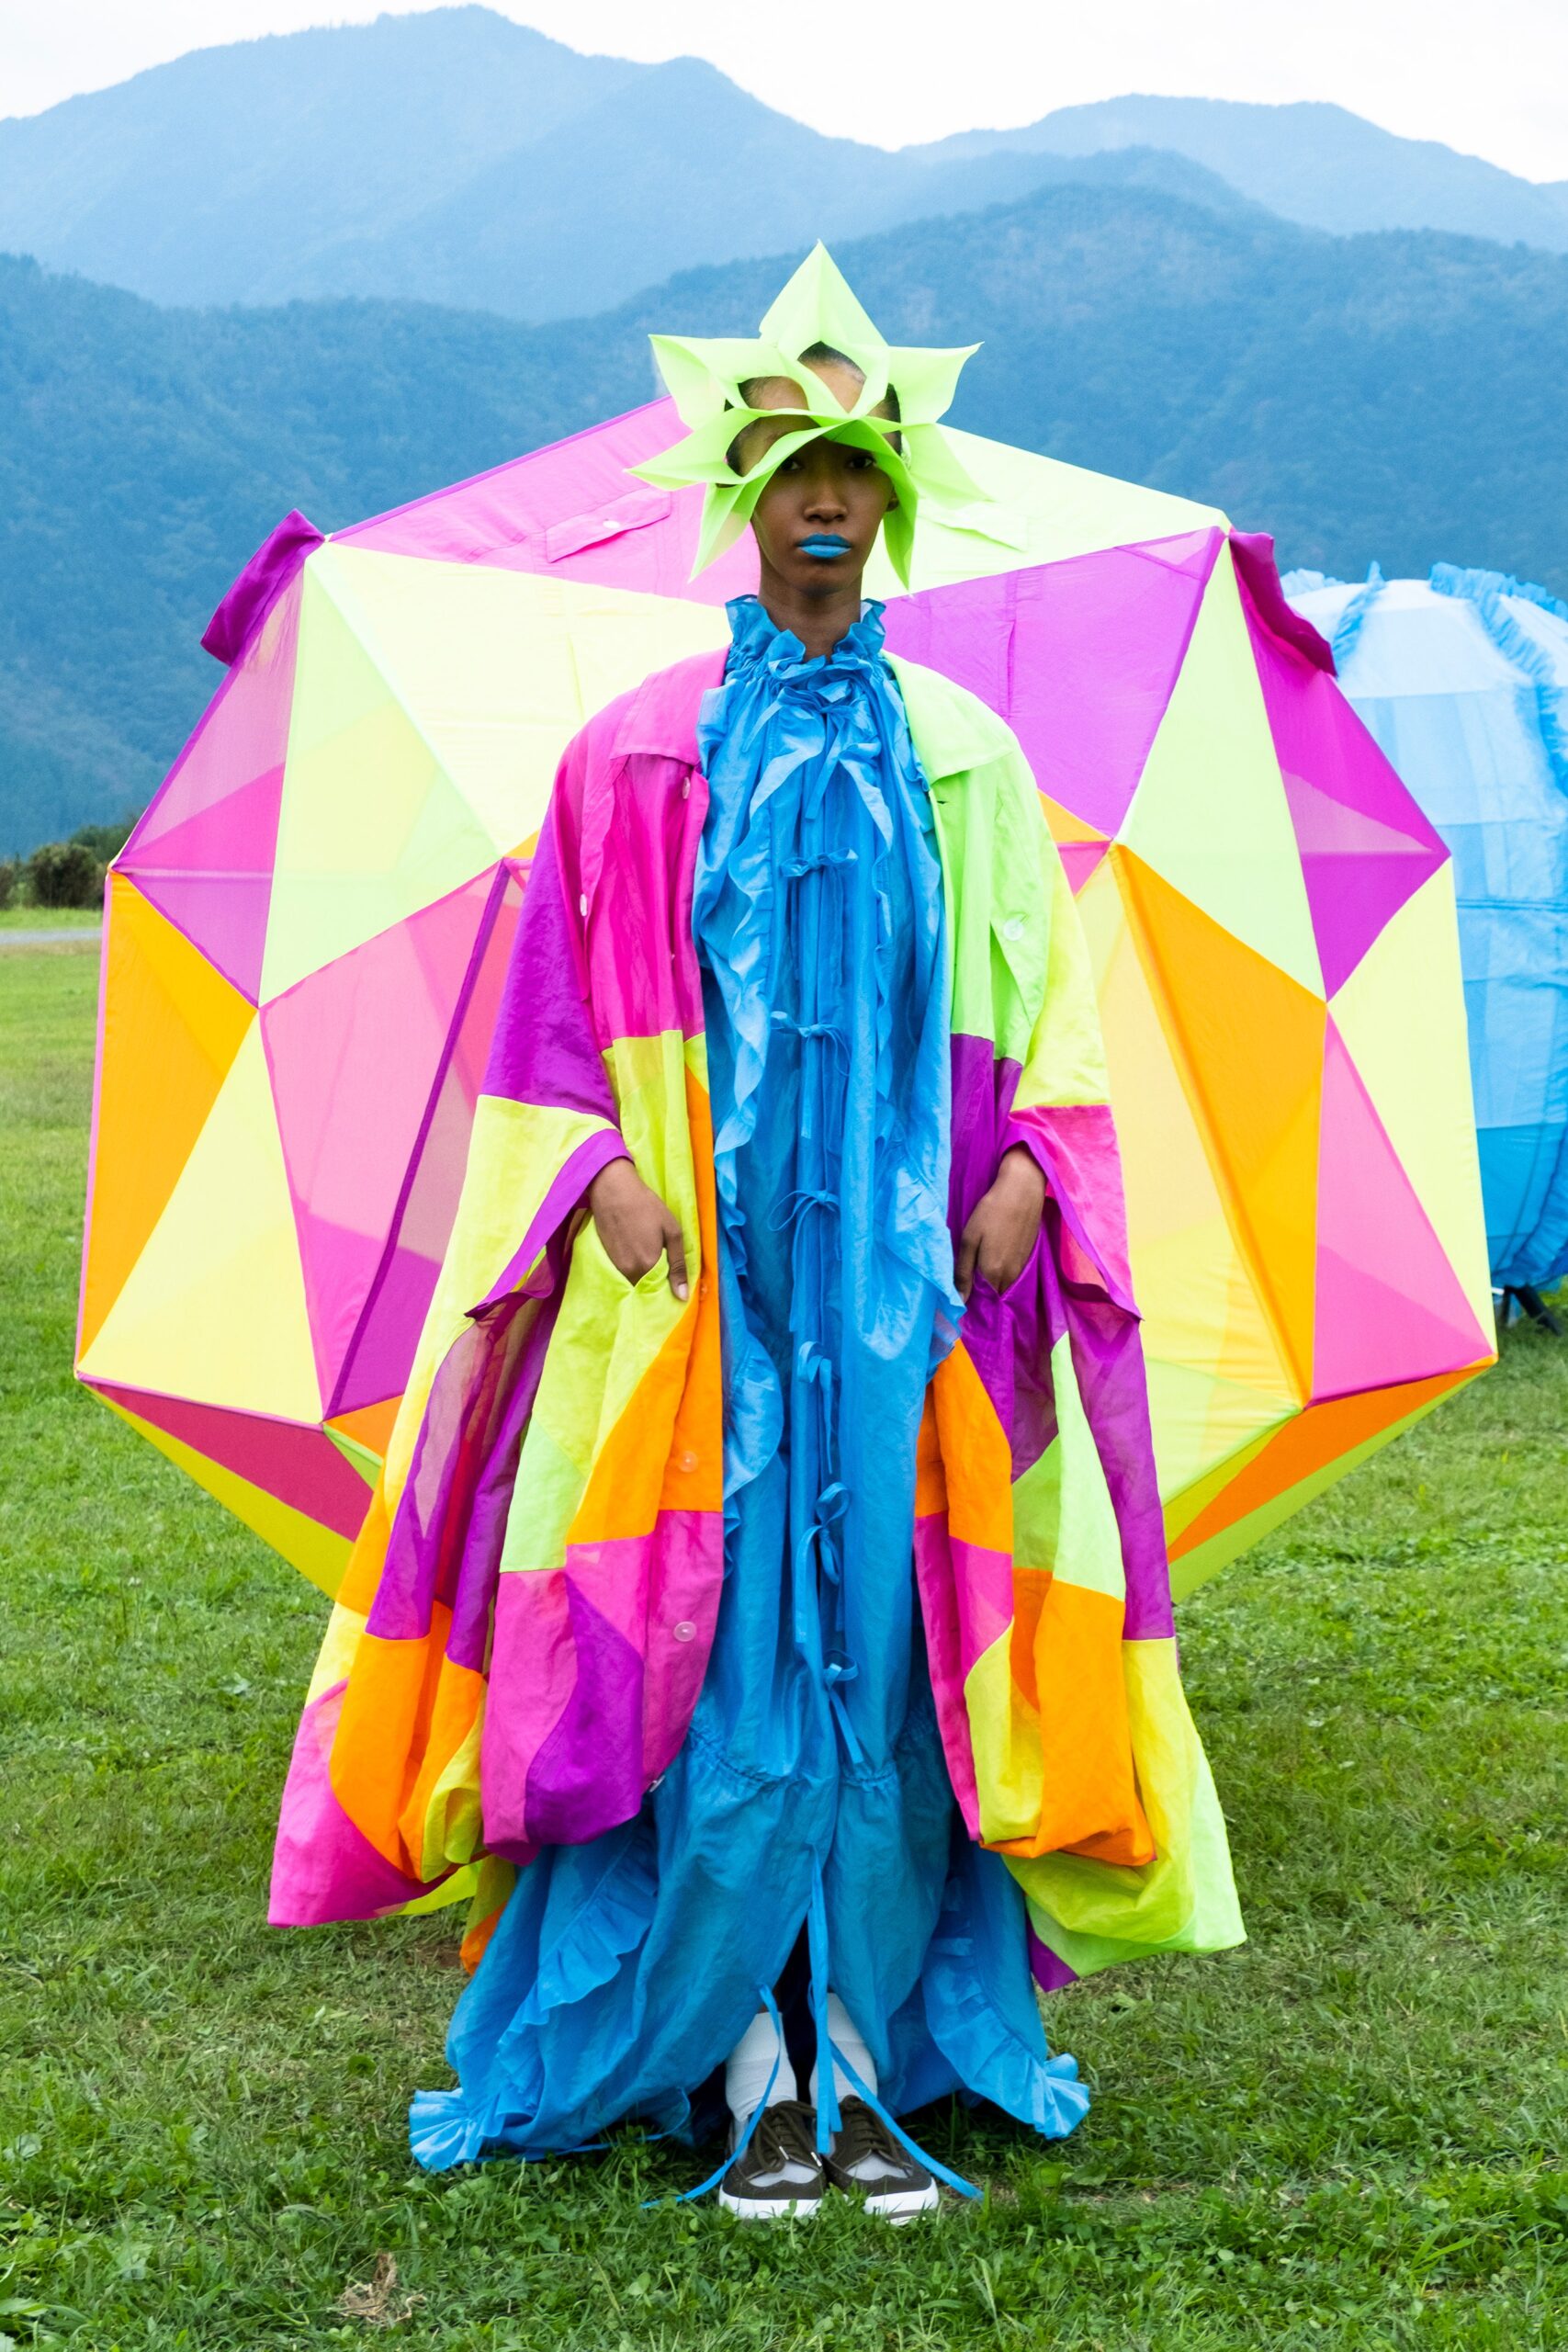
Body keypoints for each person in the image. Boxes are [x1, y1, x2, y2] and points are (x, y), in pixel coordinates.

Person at [269, 248, 1243, 2222]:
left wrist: (1033, 1172)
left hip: (899, 1315)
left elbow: (1043, 1013)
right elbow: (546, 1018)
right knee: (703, 1652)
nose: (820, 494)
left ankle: (866, 2042)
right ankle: (737, 2047)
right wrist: (601, 1188)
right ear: (742, 485)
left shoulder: (963, 757)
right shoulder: (633, 756)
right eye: (790, 459)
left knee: (881, 1651)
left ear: (889, 496)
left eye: (850, 464)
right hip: (701, 1302)